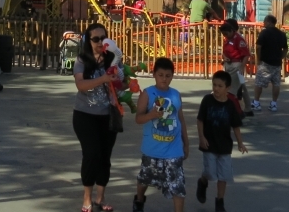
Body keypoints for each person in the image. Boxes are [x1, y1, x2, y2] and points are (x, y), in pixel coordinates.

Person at [72, 22, 120, 212]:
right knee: (91, 154)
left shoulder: (114, 58)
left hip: (108, 115)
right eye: (95, 39)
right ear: (88, 41)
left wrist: (124, 84)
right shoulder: (82, 60)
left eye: (103, 38)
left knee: (105, 156)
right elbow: (80, 85)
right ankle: (87, 198)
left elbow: (120, 84)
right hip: (85, 115)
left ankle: (100, 198)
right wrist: (104, 79)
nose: (100, 42)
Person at [133, 57, 189, 212]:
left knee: (178, 184)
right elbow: (138, 118)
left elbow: (181, 120)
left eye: (168, 75)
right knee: (145, 178)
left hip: (174, 149)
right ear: (154, 74)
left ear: (172, 76)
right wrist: (151, 115)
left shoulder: (176, 94)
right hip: (152, 149)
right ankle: (139, 200)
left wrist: (186, 143)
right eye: (161, 75)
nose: (164, 79)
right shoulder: (147, 93)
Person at [196, 70, 247, 211]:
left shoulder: (230, 106)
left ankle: (220, 201)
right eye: (214, 85)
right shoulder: (207, 100)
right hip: (208, 144)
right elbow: (200, 120)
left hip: (224, 146)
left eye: (220, 86)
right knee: (210, 172)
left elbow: (235, 126)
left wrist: (240, 142)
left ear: (228, 88)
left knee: (223, 176)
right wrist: (201, 137)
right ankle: (202, 182)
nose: (216, 88)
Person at [252, 14, 288, 113]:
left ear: (269, 22)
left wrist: (259, 59)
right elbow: (285, 48)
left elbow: (258, 47)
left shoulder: (264, 33)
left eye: (264, 21)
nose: (263, 23)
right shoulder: (282, 34)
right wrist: (281, 57)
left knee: (259, 82)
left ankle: (256, 102)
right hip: (277, 63)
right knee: (276, 83)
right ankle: (274, 104)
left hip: (265, 62)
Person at [219, 19, 253, 117]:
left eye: (226, 33)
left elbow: (246, 55)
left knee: (231, 89)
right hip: (228, 65)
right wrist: (224, 57)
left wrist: (242, 67)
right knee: (242, 87)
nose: (225, 35)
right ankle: (248, 108)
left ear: (232, 29)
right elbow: (224, 52)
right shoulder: (227, 39)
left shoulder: (239, 39)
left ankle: (237, 111)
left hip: (237, 66)